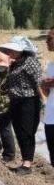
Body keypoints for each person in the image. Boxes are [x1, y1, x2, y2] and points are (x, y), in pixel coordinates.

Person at [0, 36, 43, 174]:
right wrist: (0, 90)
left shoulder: (31, 62)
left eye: (13, 49)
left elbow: (39, 83)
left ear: (21, 50)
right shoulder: (15, 63)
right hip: (15, 101)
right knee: (19, 132)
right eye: (9, 49)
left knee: (27, 132)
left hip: (29, 102)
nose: (10, 52)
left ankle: (27, 164)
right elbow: (10, 81)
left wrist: (45, 102)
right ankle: (25, 160)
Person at [42, 28, 54, 164]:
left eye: (49, 38)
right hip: (50, 118)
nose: (46, 41)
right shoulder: (51, 66)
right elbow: (47, 93)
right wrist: (44, 86)